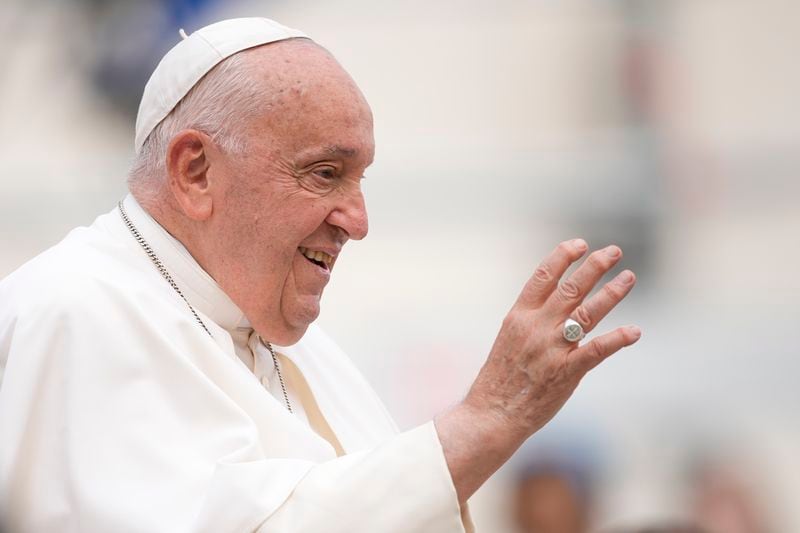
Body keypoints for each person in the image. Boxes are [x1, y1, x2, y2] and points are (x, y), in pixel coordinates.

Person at [0, 17, 641, 533]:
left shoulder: (303, 350)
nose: (358, 222)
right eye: (325, 174)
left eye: (360, 179)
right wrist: (486, 420)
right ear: (195, 171)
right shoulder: (73, 311)